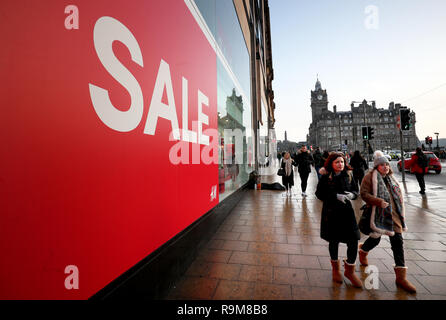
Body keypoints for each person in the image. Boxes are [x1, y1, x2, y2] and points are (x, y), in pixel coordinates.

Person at [359, 151, 416, 293]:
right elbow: (364, 194)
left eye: (387, 164)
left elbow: (398, 194)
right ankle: (363, 251)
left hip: (394, 215)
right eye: (382, 165)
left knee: (397, 242)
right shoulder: (369, 177)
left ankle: (401, 277)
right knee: (375, 240)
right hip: (378, 214)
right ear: (376, 167)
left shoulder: (391, 178)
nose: (385, 167)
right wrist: (377, 201)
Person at [316, 152, 362, 288]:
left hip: (347, 213)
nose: (340, 164)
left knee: (353, 240)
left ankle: (350, 271)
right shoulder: (326, 176)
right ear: (331, 163)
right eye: (337, 162)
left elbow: (355, 190)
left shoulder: (348, 174)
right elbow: (319, 194)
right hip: (331, 213)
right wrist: (335, 196)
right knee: (334, 240)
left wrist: (352, 195)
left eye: (342, 162)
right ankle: (335, 269)